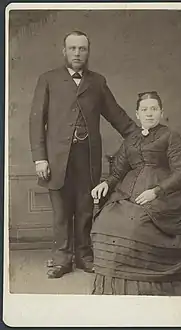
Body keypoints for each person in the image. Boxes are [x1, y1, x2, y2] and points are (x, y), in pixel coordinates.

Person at [29, 30, 137, 279]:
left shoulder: (97, 82)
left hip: (86, 157)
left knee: (85, 207)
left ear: (88, 52)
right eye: (73, 48)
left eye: (82, 49)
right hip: (56, 158)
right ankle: (61, 260)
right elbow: (36, 121)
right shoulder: (48, 79)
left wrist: (140, 134)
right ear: (64, 51)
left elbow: (117, 115)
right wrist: (40, 158)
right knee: (61, 211)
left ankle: (84, 257)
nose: (77, 53)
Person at [91, 91, 181, 295]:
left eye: (154, 109)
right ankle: (116, 273)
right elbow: (119, 170)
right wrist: (106, 184)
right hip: (128, 192)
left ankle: (142, 277)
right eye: (144, 110)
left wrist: (156, 191)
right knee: (107, 220)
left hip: (164, 194)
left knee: (136, 224)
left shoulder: (171, 137)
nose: (149, 113)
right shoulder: (131, 139)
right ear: (137, 114)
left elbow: (180, 171)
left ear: (161, 112)